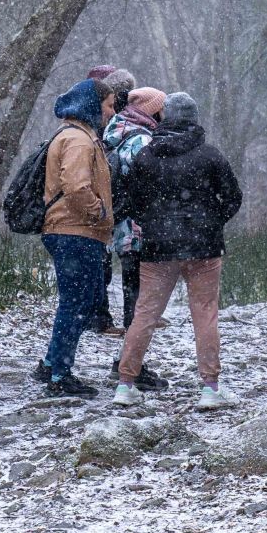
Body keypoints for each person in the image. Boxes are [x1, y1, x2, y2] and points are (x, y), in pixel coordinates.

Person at [112, 92, 242, 410]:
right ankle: (210, 388)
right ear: (194, 119)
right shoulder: (210, 156)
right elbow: (233, 198)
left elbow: (131, 204)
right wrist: (210, 222)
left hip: (157, 248)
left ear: (164, 118)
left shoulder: (146, 157)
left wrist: (155, 226)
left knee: (144, 314)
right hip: (204, 247)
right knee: (205, 313)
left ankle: (126, 383)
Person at [33, 78, 116, 396]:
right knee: (76, 305)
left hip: (73, 231)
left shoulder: (78, 136)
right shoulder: (80, 141)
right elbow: (77, 187)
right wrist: (101, 213)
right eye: (108, 105)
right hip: (75, 231)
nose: (111, 112)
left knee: (77, 302)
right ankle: (60, 376)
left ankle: (52, 364)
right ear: (93, 105)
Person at [103, 86, 170, 391]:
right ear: (152, 110)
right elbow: (150, 185)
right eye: (161, 108)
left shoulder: (116, 131)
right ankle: (131, 365)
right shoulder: (141, 139)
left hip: (121, 228)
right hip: (137, 230)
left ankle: (126, 361)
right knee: (139, 303)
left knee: (135, 298)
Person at [85, 64, 137, 336]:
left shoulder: (104, 122)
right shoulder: (94, 125)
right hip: (104, 204)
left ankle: (104, 317)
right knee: (102, 266)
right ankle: (100, 318)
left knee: (109, 263)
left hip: (111, 202)